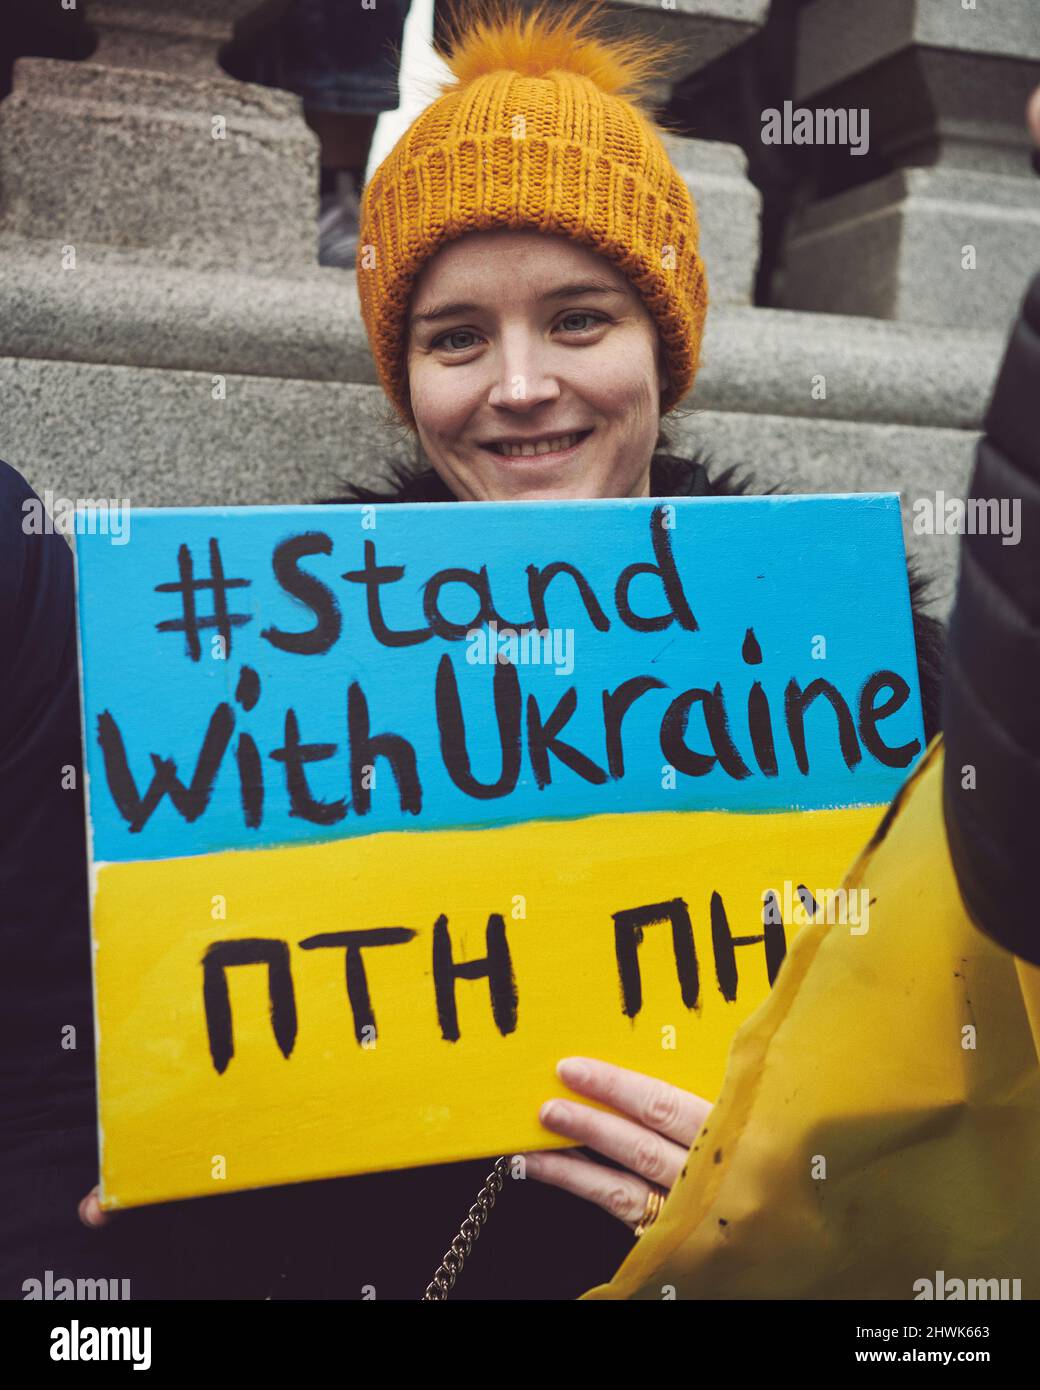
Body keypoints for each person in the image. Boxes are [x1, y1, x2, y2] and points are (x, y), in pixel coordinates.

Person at [5, 0, 961, 1301]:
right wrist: (182, 1160)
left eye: (579, 319)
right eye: (456, 336)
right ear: (407, 379)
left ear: (662, 350)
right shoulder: (257, 675)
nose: (519, 384)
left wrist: (797, 1196)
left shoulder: (866, 678)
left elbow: (955, 1134)